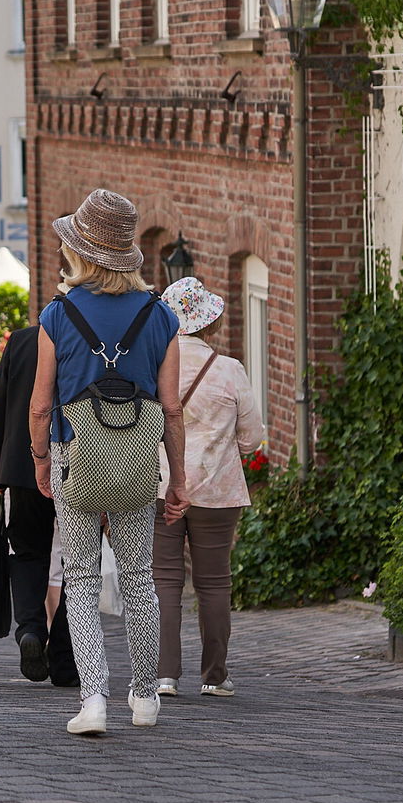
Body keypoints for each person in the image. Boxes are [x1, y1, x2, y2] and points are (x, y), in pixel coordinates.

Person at [29, 188, 188, 736]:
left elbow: (40, 403)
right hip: (139, 463)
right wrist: (179, 479)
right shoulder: (160, 315)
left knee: (79, 580)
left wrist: (41, 460)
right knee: (139, 579)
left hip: (78, 459)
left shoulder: (58, 314)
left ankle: (92, 699)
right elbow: (171, 406)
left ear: (82, 252)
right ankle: (144, 698)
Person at [154, 276, 265, 700]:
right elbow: (252, 437)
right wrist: (222, 447)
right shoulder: (229, 370)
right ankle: (215, 675)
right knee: (214, 583)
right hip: (218, 491)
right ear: (210, 323)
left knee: (164, 581)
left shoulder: (153, 366)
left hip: (162, 486)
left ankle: (164, 675)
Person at [0, 323, 80, 688]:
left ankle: (30, 628)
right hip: (79, 462)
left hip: (21, 463)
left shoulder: (24, 339)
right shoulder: (97, 337)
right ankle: (62, 655)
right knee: (79, 562)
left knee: (27, 552)